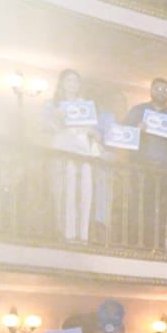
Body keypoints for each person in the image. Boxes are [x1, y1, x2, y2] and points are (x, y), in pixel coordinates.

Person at [44, 69, 105, 245]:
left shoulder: (86, 105)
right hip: (63, 151)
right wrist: (57, 119)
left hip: (83, 153)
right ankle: (66, 234)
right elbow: (46, 126)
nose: (73, 84)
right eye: (69, 80)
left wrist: (95, 134)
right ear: (62, 83)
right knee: (65, 193)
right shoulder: (53, 104)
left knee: (85, 193)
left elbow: (94, 131)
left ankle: (82, 235)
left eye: (76, 81)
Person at [122, 76, 167, 171]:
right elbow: (123, 134)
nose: (162, 92)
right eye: (158, 89)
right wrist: (136, 130)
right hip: (139, 165)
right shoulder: (137, 110)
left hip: (165, 169)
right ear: (151, 91)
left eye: (166, 90)